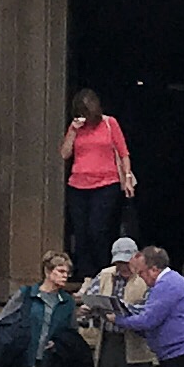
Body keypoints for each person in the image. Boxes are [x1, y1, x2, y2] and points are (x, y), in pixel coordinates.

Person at [60, 89, 136, 276]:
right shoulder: (76, 127)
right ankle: (86, 275)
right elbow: (64, 154)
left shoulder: (109, 123)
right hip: (78, 185)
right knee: (81, 233)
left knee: (98, 229)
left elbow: (123, 152)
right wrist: (73, 130)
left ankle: (103, 272)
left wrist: (126, 178)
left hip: (105, 184)